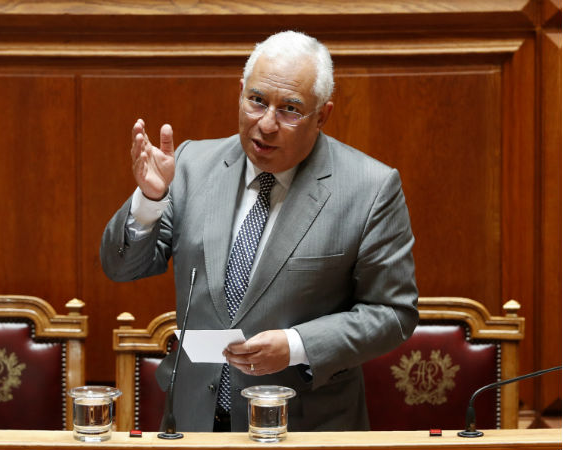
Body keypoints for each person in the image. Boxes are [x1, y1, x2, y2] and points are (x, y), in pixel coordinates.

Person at [100, 30, 418, 432]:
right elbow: (120, 266)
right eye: (256, 101)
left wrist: (297, 346)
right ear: (240, 92)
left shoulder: (369, 188)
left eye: (290, 109)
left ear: (322, 114)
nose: (266, 124)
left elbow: (393, 313)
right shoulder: (191, 165)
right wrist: (149, 200)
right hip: (195, 422)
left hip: (305, 425)